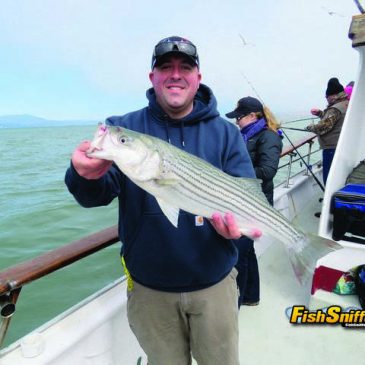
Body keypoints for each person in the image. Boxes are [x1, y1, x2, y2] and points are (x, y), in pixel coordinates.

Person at [65, 36, 256, 365]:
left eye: (185, 67)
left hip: (215, 284)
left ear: (198, 77)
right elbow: (94, 196)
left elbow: (244, 190)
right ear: (152, 77)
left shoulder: (226, 132)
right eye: (165, 67)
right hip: (149, 289)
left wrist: (236, 229)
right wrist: (84, 175)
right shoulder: (124, 127)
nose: (175, 74)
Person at [225, 96, 283, 307]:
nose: (236, 121)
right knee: (247, 251)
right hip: (243, 201)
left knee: (239, 253)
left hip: (256, 205)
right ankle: (251, 296)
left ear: (252, 116)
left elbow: (268, 171)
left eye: (239, 117)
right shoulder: (247, 135)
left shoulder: (268, 137)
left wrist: (234, 175)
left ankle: (237, 302)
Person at [307, 77, 349, 186]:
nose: (326, 99)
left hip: (331, 149)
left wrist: (310, 127)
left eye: (327, 97)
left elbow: (323, 127)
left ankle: (330, 200)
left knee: (329, 180)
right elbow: (335, 121)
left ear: (333, 96)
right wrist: (321, 114)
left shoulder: (335, 109)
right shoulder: (347, 103)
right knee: (340, 177)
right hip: (343, 146)